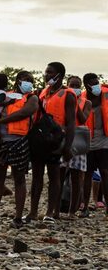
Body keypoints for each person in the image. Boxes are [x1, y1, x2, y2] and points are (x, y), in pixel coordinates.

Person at [0, 71, 38, 227]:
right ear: (17, 81)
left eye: (31, 80)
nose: (28, 83)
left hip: (19, 141)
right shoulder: (6, 95)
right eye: (26, 80)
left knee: (19, 178)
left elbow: (25, 112)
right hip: (1, 140)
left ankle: (18, 218)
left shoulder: (31, 98)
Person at [26, 62, 76, 224]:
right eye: (46, 72)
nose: (46, 75)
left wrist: (67, 147)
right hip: (40, 140)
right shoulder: (42, 93)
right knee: (37, 176)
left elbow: (71, 123)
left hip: (56, 140)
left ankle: (50, 212)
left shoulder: (67, 95)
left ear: (59, 75)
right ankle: (33, 212)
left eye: (50, 72)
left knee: (54, 176)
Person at [62, 75, 90, 219]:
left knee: (77, 177)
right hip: (63, 137)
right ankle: (55, 211)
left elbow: (83, 119)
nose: (75, 87)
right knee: (59, 175)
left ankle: (72, 211)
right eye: (72, 85)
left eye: (77, 85)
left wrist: (75, 103)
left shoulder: (87, 102)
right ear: (67, 85)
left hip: (79, 140)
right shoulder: (62, 98)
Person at [83, 73, 108, 216]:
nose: (97, 85)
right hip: (87, 141)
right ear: (87, 85)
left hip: (104, 139)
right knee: (87, 174)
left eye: (97, 82)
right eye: (93, 83)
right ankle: (85, 206)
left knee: (105, 172)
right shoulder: (82, 99)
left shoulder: (106, 95)